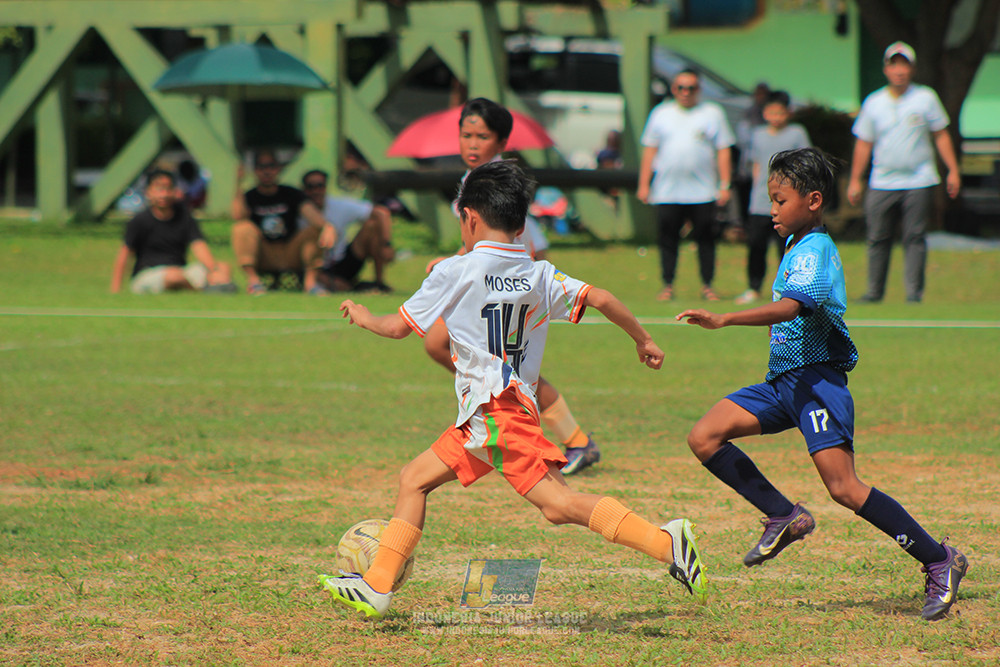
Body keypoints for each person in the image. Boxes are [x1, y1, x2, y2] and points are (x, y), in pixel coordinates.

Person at [320, 160, 707, 618]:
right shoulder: (540, 275)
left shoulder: (455, 270)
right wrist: (643, 339)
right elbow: (600, 297)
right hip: (502, 413)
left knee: (559, 506)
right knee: (415, 480)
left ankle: (667, 542)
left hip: (494, 415)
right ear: (522, 223)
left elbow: (397, 328)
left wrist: (365, 315)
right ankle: (378, 585)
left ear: (470, 218)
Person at [677, 148, 967, 622]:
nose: (772, 209)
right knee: (705, 436)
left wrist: (726, 317)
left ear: (813, 200)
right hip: (782, 384)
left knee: (845, 488)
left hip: (816, 385)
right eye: (770, 199)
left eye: (780, 199)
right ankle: (783, 515)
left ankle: (939, 559)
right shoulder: (794, 243)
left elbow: (793, 307)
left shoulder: (817, 249)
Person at [424, 98, 600, 475]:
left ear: (502, 140)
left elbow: (518, 239)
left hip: (508, 279)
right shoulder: (476, 176)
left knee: (493, 365)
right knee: (454, 350)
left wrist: (456, 264)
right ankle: (560, 432)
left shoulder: (497, 177)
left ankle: (572, 439)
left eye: (482, 136)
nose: (471, 143)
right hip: (497, 275)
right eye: (465, 134)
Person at [847, 41, 961, 304]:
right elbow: (864, 143)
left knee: (915, 237)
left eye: (904, 65)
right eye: (894, 64)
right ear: (886, 68)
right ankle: (874, 292)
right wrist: (855, 179)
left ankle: (913, 294)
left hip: (919, 178)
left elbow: (941, 135)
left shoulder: (926, 98)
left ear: (912, 68)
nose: (899, 70)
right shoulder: (874, 102)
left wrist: (953, 171)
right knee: (877, 237)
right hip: (882, 180)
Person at [638, 69, 735, 302]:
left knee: (706, 240)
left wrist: (725, 184)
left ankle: (708, 286)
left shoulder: (712, 113)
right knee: (668, 240)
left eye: (691, 88)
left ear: (698, 90)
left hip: (703, 191)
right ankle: (667, 285)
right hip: (667, 191)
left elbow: (723, 150)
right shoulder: (660, 113)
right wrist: (644, 184)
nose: (685, 92)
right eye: (681, 87)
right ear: (673, 89)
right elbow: (650, 151)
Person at [735, 91, 811, 305]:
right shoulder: (757, 134)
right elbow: (756, 165)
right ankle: (753, 287)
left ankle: (788, 289)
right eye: (772, 112)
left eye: (780, 112)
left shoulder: (797, 133)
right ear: (765, 113)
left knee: (785, 247)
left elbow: (805, 164)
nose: (776, 117)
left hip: (788, 202)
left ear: (789, 113)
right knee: (756, 245)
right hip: (760, 201)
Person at [110, 168, 235, 294]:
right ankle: (206, 290)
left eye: (168, 189)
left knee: (223, 267)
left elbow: (198, 245)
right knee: (174, 277)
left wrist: (213, 270)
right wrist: (115, 289)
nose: (163, 195)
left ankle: (213, 286)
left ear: (174, 191)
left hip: (180, 270)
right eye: (159, 190)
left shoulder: (184, 216)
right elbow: (124, 255)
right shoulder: (139, 221)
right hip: (148, 275)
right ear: (148, 192)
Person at [230, 149, 337, 295]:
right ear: (255, 170)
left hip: (289, 250)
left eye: (271, 166)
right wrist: (239, 184)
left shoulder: (291, 194)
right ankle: (254, 282)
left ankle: (311, 283)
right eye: (262, 167)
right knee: (242, 228)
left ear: (278, 169)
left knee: (316, 230)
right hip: (264, 252)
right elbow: (238, 216)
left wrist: (327, 227)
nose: (267, 171)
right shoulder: (249, 196)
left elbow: (312, 215)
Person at [300, 169, 395, 293]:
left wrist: (386, 244)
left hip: (341, 260)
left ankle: (379, 282)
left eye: (320, 186)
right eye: (311, 187)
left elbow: (381, 213)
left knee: (371, 226)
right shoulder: (298, 207)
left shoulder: (338, 205)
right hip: (312, 266)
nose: (316, 191)